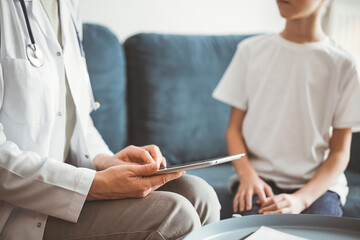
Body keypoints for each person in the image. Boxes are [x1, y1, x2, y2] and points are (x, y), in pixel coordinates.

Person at [0, 0, 220, 239]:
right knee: (174, 215)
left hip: (68, 184)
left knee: (199, 194)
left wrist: (105, 161)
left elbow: (74, 117)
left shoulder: (68, 6)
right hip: (17, 210)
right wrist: (96, 185)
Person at [213, 0, 360, 216]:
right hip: (259, 180)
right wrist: (247, 176)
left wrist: (302, 199)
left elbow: (340, 152)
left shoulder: (344, 65)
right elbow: (233, 130)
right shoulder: (250, 51)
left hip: (318, 187)